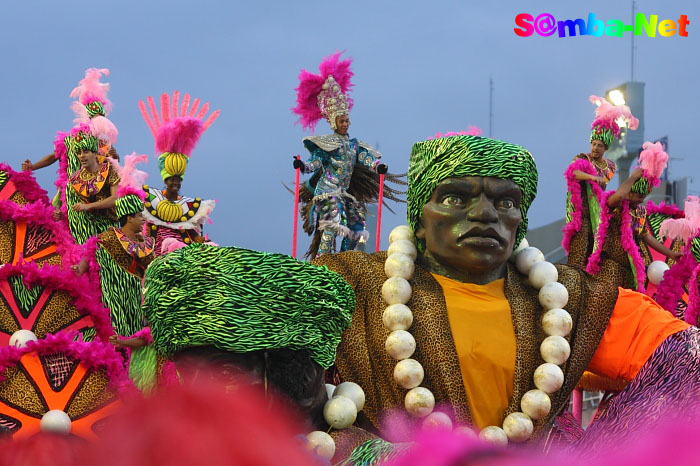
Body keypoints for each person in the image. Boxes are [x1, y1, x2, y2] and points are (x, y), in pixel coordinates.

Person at [312, 134, 697, 462]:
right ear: (419, 217)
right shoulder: (348, 285)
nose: (483, 214)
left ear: (520, 222)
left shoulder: (573, 298)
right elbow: (280, 398)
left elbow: (685, 355)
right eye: (455, 198)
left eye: (506, 203)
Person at [291, 52, 398, 257]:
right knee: (333, 223)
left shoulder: (354, 145)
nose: (345, 124)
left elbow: (366, 159)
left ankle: (344, 260)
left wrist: (377, 167)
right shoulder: (328, 143)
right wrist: (302, 167)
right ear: (334, 123)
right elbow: (315, 163)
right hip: (328, 191)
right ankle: (322, 263)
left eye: (347, 120)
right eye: (342, 121)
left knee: (358, 230)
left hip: (344, 193)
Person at [587, 141, 681, 292]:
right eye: (638, 196)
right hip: (611, 265)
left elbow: (646, 236)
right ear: (629, 191)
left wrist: (670, 253)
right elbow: (619, 196)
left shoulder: (640, 212)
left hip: (632, 268)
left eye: (643, 197)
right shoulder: (615, 205)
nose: (641, 200)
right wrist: (631, 178)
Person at [562, 95, 638, 269]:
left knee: (596, 247)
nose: (595, 148)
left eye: (600, 146)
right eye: (593, 144)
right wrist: (592, 177)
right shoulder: (582, 158)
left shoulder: (610, 166)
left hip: (598, 211)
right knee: (579, 245)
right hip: (580, 211)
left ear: (606, 148)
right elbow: (573, 172)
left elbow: (603, 186)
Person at [138, 91, 218, 255]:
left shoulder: (191, 208)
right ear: (165, 181)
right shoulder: (150, 200)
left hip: (181, 260)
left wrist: (204, 244)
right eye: (171, 180)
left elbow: (195, 237)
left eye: (178, 180)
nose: (175, 183)